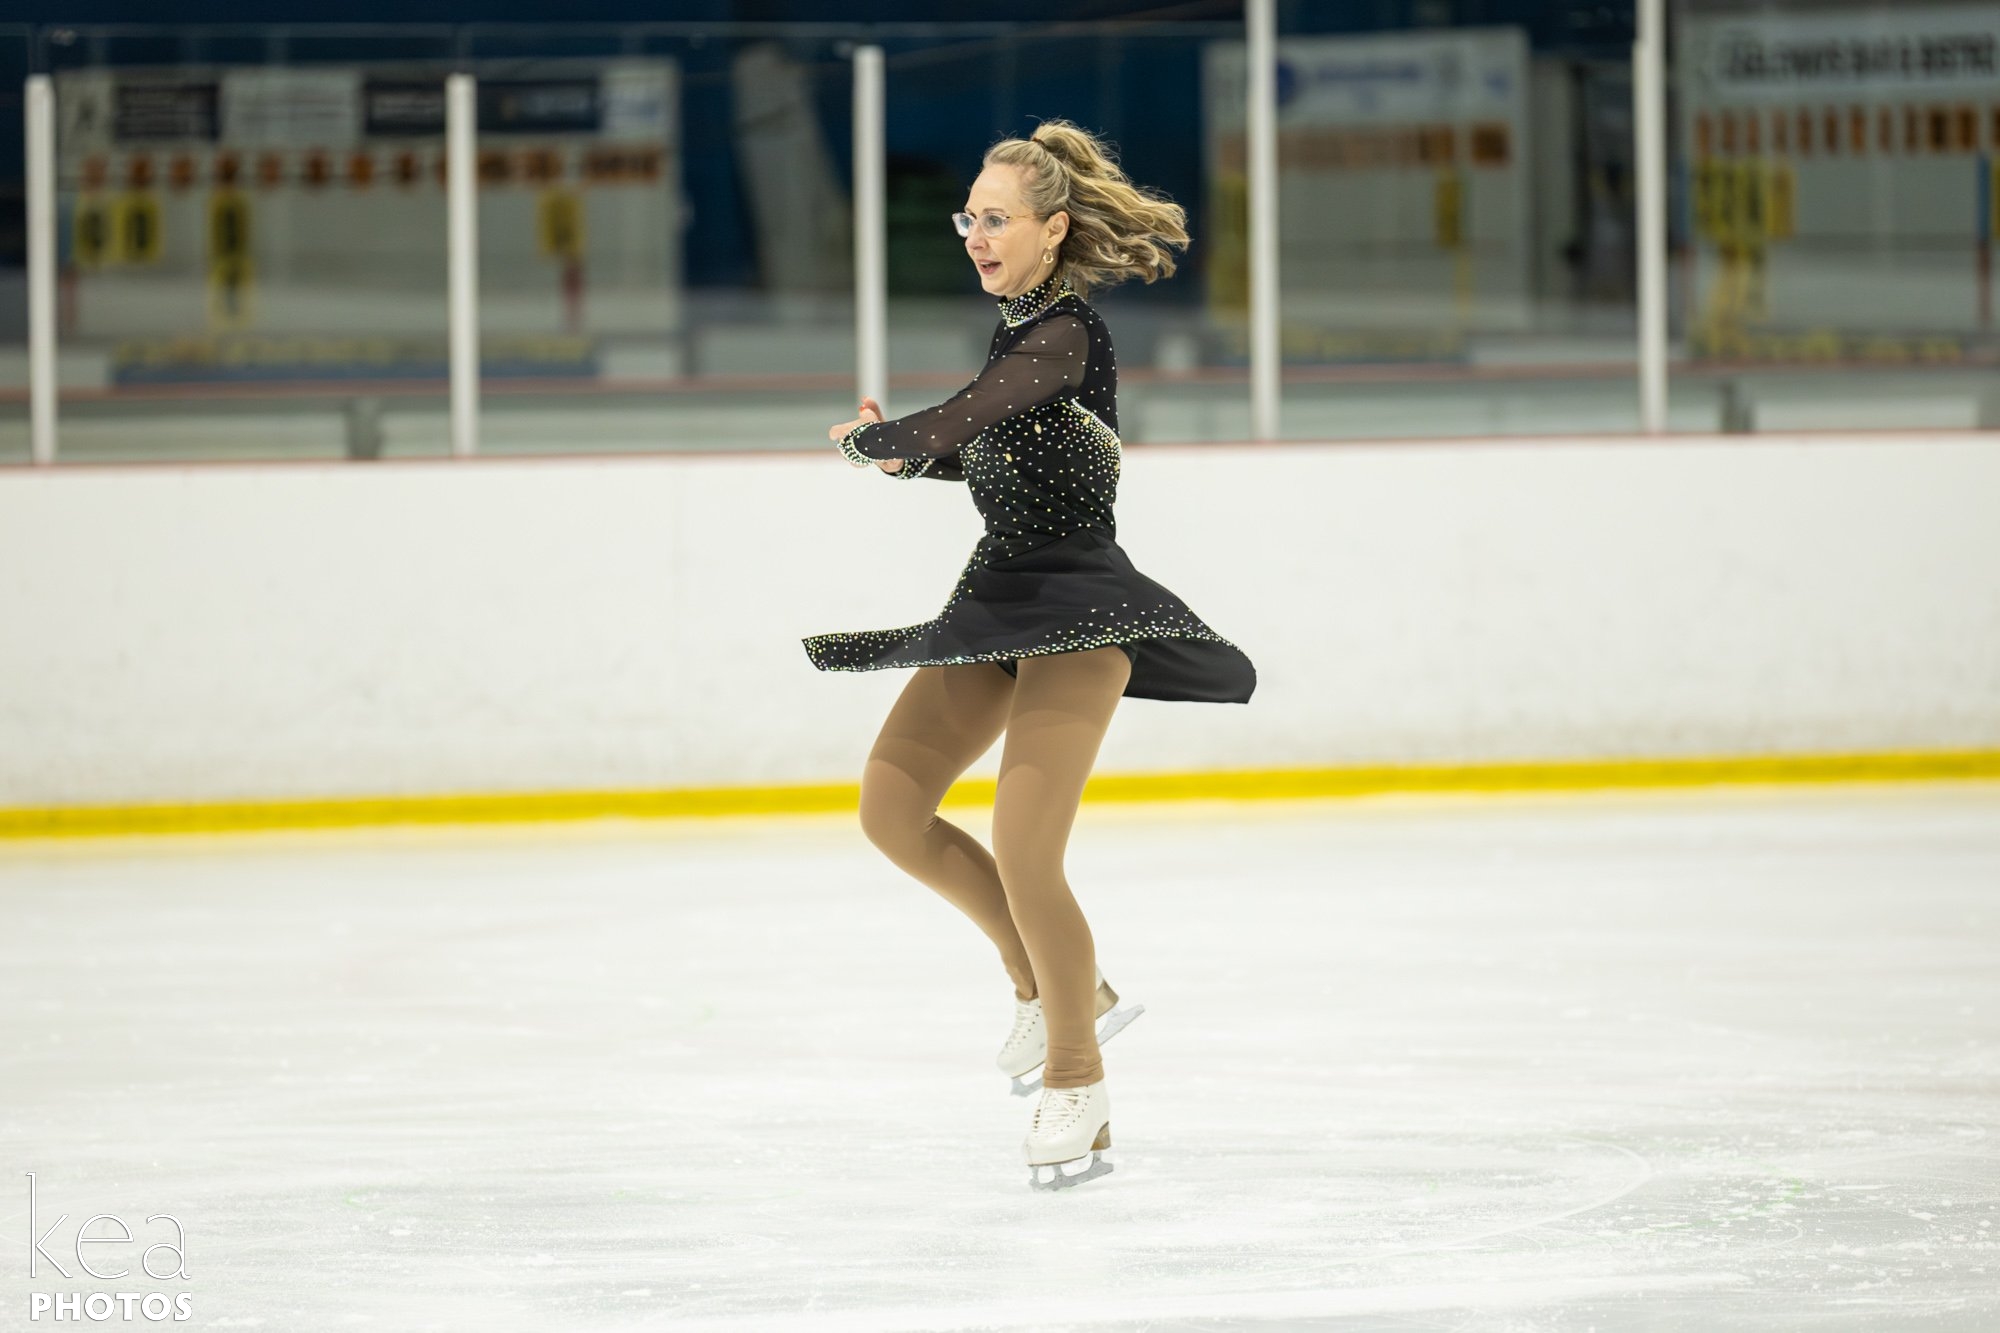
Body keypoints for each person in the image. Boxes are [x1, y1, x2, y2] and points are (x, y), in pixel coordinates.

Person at [802, 119, 1256, 1191]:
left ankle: (1076, 1073)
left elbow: (968, 417)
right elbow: (993, 450)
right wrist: (908, 462)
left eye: (996, 218)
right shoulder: (1014, 338)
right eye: (969, 216)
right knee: (890, 806)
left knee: (1023, 847)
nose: (975, 234)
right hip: (1000, 595)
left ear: (1052, 231)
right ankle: (1048, 984)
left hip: (1080, 610)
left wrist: (884, 442)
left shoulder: (1066, 335)